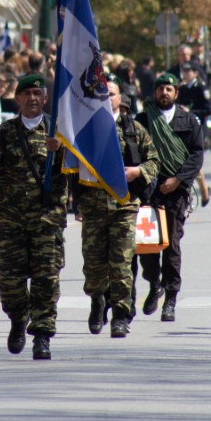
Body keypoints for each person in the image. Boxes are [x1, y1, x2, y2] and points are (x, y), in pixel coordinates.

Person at [0, 74, 67, 361]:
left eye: (37, 93)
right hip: (12, 219)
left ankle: (42, 335)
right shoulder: (7, 130)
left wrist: (62, 150)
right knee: (9, 279)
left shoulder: (58, 130)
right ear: (18, 99)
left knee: (46, 279)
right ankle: (17, 317)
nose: (32, 98)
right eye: (27, 94)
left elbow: (79, 165)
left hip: (46, 219)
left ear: (45, 98)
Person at [78, 76, 158, 338]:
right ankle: (98, 300)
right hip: (92, 207)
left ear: (120, 99)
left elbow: (154, 161)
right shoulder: (85, 129)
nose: (107, 98)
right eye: (102, 94)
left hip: (124, 206)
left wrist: (138, 172)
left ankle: (121, 316)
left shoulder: (134, 129)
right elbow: (71, 166)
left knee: (122, 264)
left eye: (111, 94)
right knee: (94, 265)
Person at [135, 72, 204, 323]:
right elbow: (135, 152)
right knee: (148, 245)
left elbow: (196, 155)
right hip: (149, 190)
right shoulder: (143, 120)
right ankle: (155, 284)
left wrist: (177, 180)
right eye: (160, 89)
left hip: (176, 192)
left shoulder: (189, 120)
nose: (164, 93)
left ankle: (171, 298)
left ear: (176, 93)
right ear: (154, 92)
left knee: (172, 245)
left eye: (169, 89)